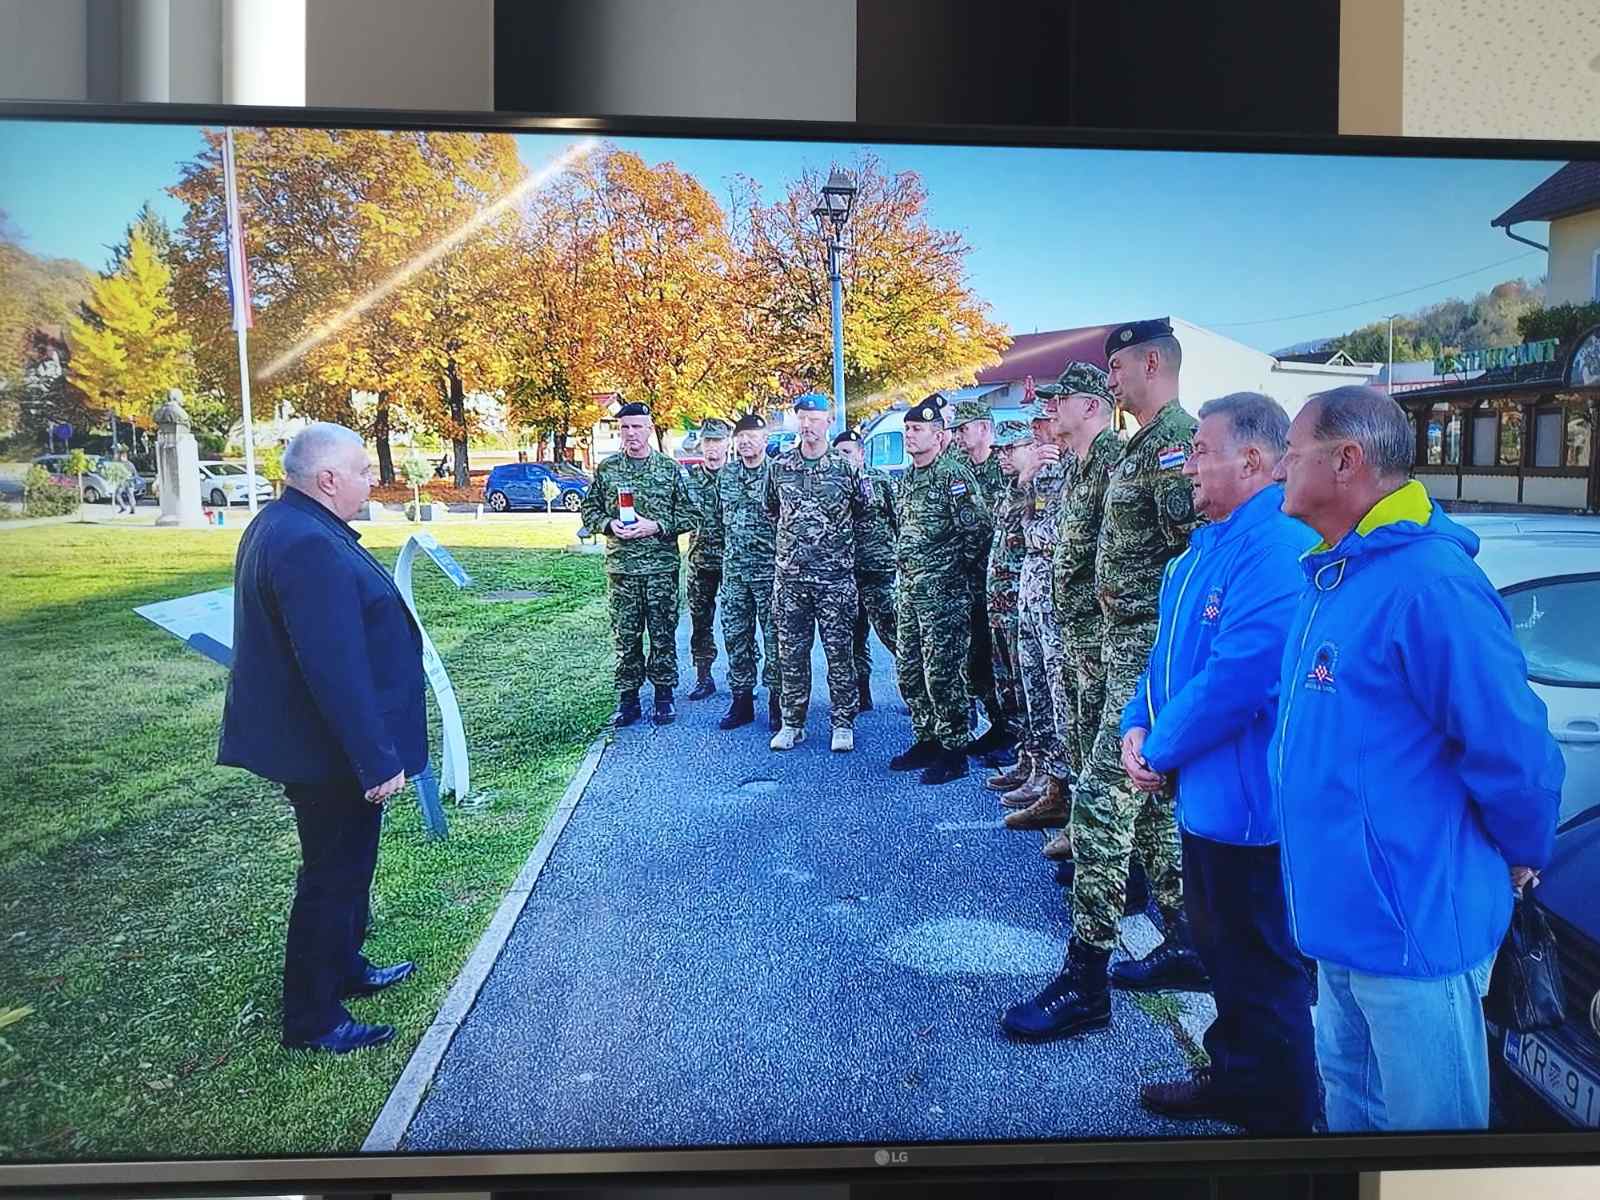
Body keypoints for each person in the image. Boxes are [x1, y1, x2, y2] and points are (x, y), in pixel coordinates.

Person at [1271, 385, 1563, 1133]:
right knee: (1354, 1116)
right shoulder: (1336, 573)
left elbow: (1517, 751)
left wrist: (1522, 852)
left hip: (1413, 931)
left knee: (1434, 1145)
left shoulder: (1431, 584)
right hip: (1343, 924)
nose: (1277, 468)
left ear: (1346, 460)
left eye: (1292, 453)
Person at [1117, 393, 1320, 1134]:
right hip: (1206, 796)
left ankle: (1282, 1118)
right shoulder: (1204, 548)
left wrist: (1159, 748)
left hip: (1249, 806)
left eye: (1201, 451)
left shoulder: (1275, 548)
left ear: (1254, 460)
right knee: (1222, 951)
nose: (1188, 465)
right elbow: (1164, 661)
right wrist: (1135, 725)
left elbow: (1240, 677)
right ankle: (1236, 1077)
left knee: (1261, 964)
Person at [1003, 318, 1205, 1043]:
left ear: (1153, 363)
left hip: (1144, 653)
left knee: (1099, 804)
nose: (1110, 379)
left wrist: (1168, 661)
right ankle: (1186, 934)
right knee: (1144, 809)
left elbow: (1191, 560)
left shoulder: (1176, 445)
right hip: (1113, 644)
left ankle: (1086, 980)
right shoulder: (1141, 445)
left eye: (1117, 367)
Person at [217, 422, 421, 1055]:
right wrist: (375, 759)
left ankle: (344, 966)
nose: (371, 479)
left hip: (323, 744)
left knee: (350, 868)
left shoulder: (290, 523)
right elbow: (334, 668)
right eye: (362, 469)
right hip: (328, 751)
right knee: (331, 877)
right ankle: (312, 1017)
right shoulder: (305, 541)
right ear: (328, 479)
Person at [1036, 362, 1123, 865]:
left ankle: (1113, 856)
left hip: (1102, 629)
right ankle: (1082, 830)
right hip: (1073, 627)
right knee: (1077, 732)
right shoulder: (1076, 464)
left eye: (1061, 399)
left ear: (1090, 406)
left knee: (1104, 745)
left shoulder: (1114, 460)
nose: (1052, 409)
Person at [889, 395, 992, 784]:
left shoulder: (953, 476)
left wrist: (952, 574)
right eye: (907, 429)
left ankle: (954, 749)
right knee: (910, 669)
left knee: (944, 673)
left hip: (945, 595)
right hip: (911, 593)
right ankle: (927, 737)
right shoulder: (908, 478)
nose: (909, 435)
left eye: (917, 429)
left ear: (938, 435)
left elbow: (977, 532)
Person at [579, 400, 700, 727]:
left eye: (636, 427)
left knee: (662, 634)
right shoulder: (608, 469)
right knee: (626, 636)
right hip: (622, 570)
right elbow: (589, 510)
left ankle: (663, 696)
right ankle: (628, 699)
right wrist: (608, 524)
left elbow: (690, 514)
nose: (631, 433)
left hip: (660, 569)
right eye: (625, 428)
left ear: (649, 429)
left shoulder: (668, 469)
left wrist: (656, 526)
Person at [763, 393, 867, 752]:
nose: (808, 425)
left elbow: (863, 511)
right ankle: (793, 723)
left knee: (840, 654)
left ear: (829, 421)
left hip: (834, 580)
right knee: (791, 655)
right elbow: (772, 509)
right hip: (791, 581)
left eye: (815, 418)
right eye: (802, 418)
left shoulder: (846, 467)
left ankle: (843, 723)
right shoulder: (779, 466)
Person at [1000, 395, 1075, 832]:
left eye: (1043, 420)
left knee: (1060, 694)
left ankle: (1062, 787)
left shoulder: (1076, 466)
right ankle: (1044, 773)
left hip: (1055, 590)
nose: (1038, 429)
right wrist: (1025, 481)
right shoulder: (1041, 471)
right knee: (1035, 688)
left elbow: (1061, 534)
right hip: (1032, 585)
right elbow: (1011, 527)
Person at [948, 399, 1015, 760]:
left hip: (1002, 583)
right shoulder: (959, 470)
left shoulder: (1002, 467)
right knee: (977, 660)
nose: (958, 436)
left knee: (1003, 660)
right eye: (956, 430)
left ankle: (1012, 733)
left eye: (963, 429)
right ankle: (996, 723)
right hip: (969, 583)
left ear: (985, 428)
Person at [709, 412, 783, 732]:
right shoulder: (726, 475)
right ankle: (741, 702)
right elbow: (717, 520)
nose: (745, 442)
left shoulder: (777, 473)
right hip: (735, 572)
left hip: (769, 572)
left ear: (765, 440)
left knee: (775, 639)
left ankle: (777, 702)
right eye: (740, 437)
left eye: (752, 437)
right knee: (736, 636)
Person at [833, 428, 898, 713]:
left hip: (877, 571)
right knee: (852, 637)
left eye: (847, 452)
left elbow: (899, 520)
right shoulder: (832, 485)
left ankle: (919, 690)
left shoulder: (880, 481)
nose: (843, 458)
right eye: (838, 454)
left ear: (861, 453)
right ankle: (861, 692)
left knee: (893, 632)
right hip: (845, 573)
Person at [981, 420, 1031, 784]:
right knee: (1005, 677)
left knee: (1023, 680)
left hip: (1019, 603)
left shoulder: (1036, 487)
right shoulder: (1009, 488)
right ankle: (1013, 739)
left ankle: (1023, 746)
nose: (1002, 456)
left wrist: (1027, 478)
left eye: (1010, 449)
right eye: (1000, 450)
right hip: (1000, 602)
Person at [685, 418, 732, 701]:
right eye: (708, 441)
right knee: (701, 621)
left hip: (733, 562)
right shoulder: (689, 480)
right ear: (701, 444)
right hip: (701, 562)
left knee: (738, 622)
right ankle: (704, 676)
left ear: (727, 443)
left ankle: (743, 678)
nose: (712, 447)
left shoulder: (738, 476)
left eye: (717, 441)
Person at [112, 447, 139, 515]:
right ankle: (125, 507)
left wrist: (131, 479)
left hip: (127, 482)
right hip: (125, 482)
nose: (120, 458)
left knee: (129, 495)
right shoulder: (123, 464)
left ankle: (130, 509)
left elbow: (135, 474)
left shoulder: (128, 464)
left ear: (124, 456)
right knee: (120, 494)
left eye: (121, 456)